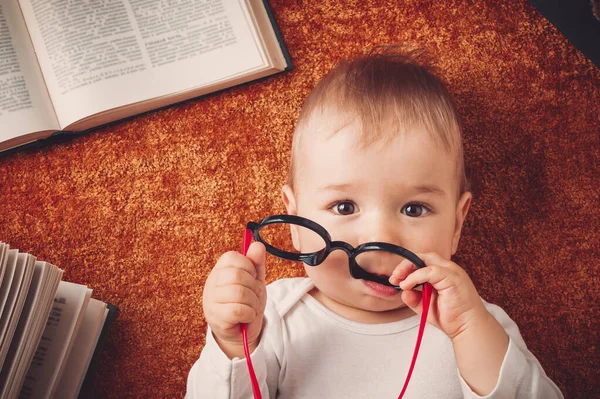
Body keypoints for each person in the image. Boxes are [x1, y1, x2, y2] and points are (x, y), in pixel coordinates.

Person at [186, 46, 563, 398]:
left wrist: (470, 331)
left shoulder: (474, 322)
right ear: (296, 219)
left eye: (414, 209)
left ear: (457, 224)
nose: (380, 238)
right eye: (345, 207)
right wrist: (234, 345)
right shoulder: (273, 314)